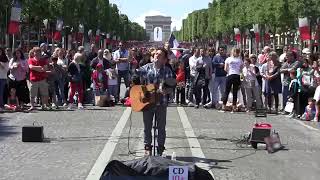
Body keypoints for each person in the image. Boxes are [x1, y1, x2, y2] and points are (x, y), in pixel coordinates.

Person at [135, 47, 174, 156]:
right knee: (147, 126)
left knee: (161, 127)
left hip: (162, 103)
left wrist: (166, 90)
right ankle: (147, 147)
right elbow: (135, 74)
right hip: (148, 102)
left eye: (160, 55)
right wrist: (133, 64)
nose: (157, 56)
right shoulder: (146, 68)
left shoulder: (167, 70)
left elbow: (171, 86)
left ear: (165, 59)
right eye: (156, 54)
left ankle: (160, 148)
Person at [220, 48, 243, 113]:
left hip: (230, 75)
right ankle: (233, 108)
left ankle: (223, 107)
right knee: (235, 92)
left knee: (226, 91)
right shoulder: (240, 60)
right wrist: (241, 79)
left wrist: (229, 72)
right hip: (237, 76)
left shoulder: (228, 59)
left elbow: (225, 69)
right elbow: (241, 71)